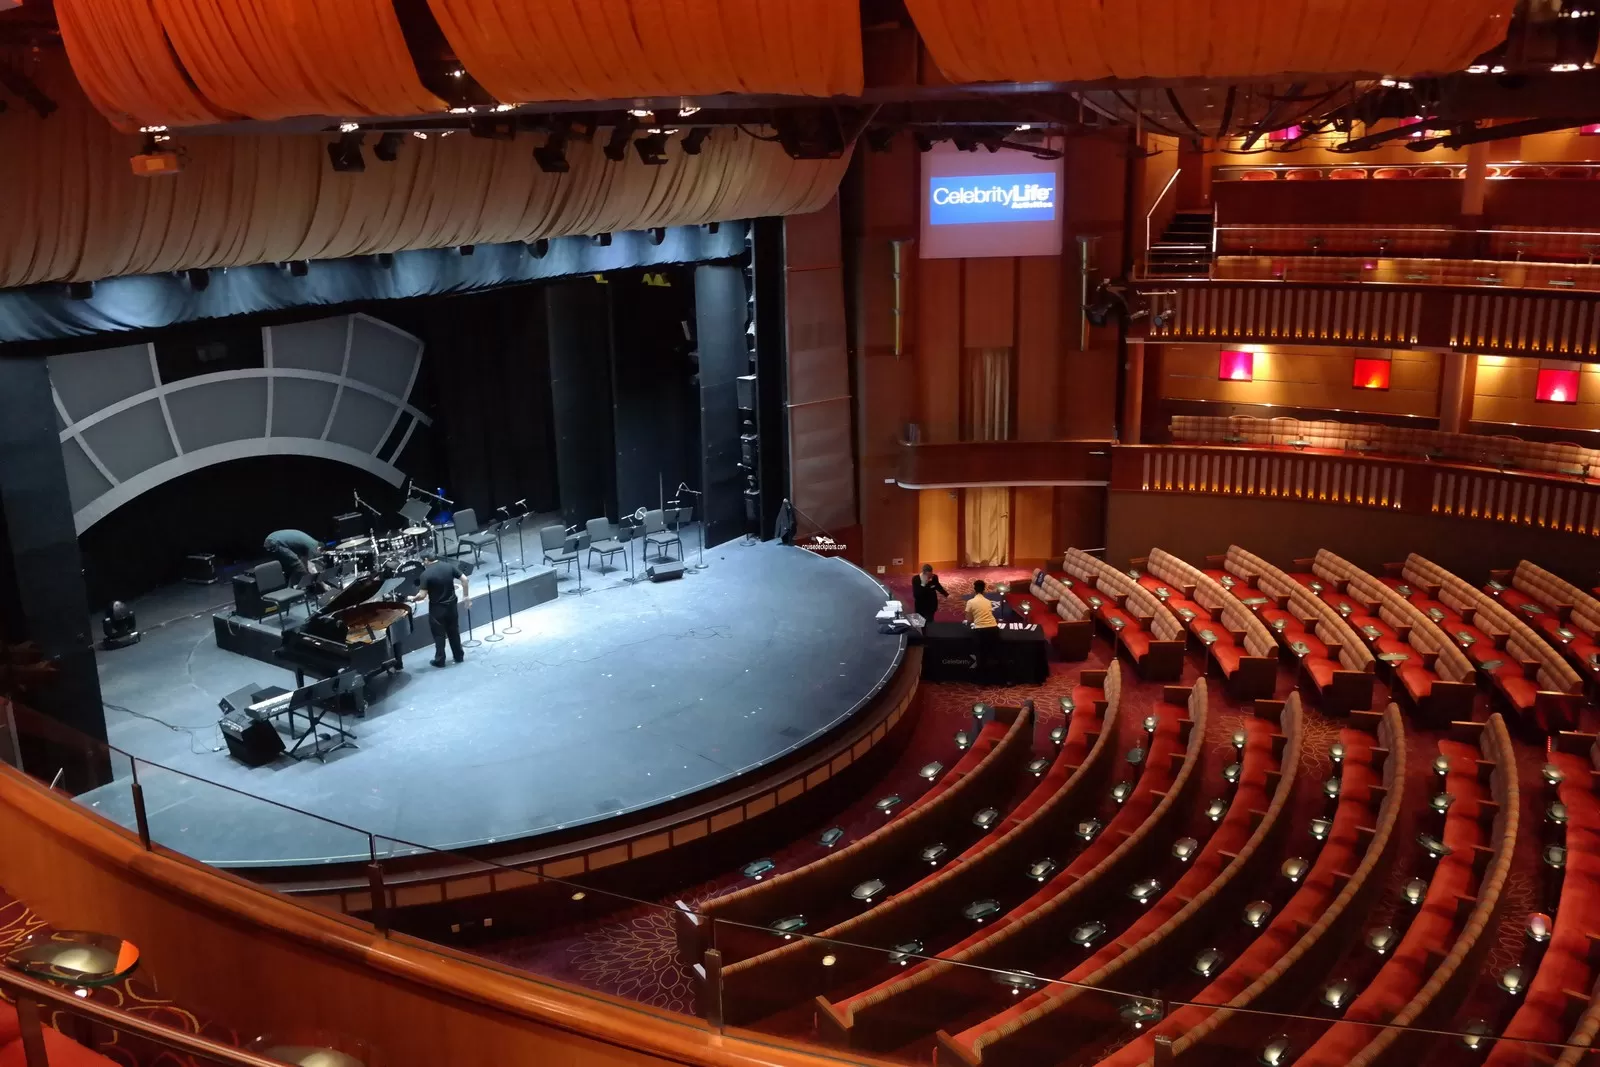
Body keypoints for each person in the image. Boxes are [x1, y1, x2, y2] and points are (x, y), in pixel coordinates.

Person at [413, 554, 472, 667]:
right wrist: (466, 596)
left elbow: (422, 595)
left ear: (426, 560)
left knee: (439, 635)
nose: (423, 563)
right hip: (451, 605)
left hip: (437, 608)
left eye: (423, 561)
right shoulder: (448, 566)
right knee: (454, 631)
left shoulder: (425, 574)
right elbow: (465, 579)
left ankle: (440, 660)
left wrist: (412, 599)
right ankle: (459, 656)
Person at [965, 579, 1001, 682]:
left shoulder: (970, 602)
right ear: (984, 590)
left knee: (980, 655)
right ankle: (996, 678)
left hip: (980, 631)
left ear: (974, 590)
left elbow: (969, 619)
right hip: (994, 629)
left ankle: (982, 680)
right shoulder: (988, 601)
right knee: (992, 653)